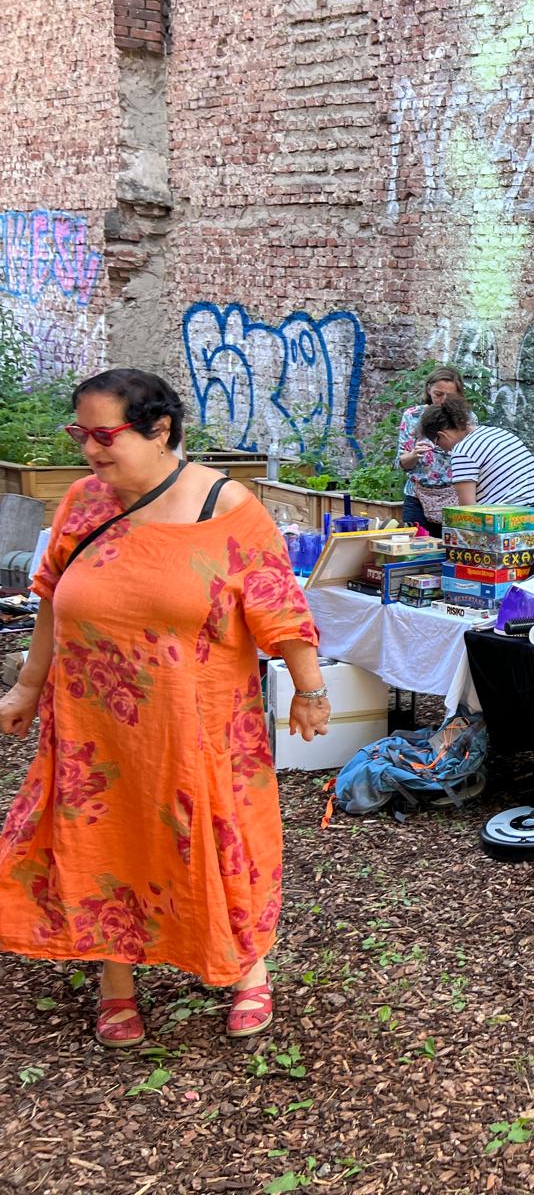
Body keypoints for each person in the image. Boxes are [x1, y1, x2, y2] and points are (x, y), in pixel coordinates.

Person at [0, 368, 329, 1048]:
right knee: (105, 839)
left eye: (104, 436)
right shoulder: (83, 503)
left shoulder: (225, 507)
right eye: (80, 434)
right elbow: (52, 599)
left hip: (197, 724)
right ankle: (114, 979)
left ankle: (245, 966)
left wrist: (310, 690)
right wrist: (27, 688)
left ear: (159, 430)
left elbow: (281, 610)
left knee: (219, 839)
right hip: (95, 725)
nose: (89, 450)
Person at [419, 396, 534, 544]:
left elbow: (469, 511)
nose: (444, 450)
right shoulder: (498, 433)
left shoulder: (462, 451)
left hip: (528, 528)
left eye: (438, 444)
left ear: (442, 435)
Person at [397, 365, 469, 536]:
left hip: (455, 498)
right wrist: (414, 455)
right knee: (414, 548)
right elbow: (402, 463)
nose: (443, 401)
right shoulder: (412, 416)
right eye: (438, 394)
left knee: (453, 549)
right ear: (429, 390)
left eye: (450, 396)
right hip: (418, 497)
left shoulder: (467, 419)